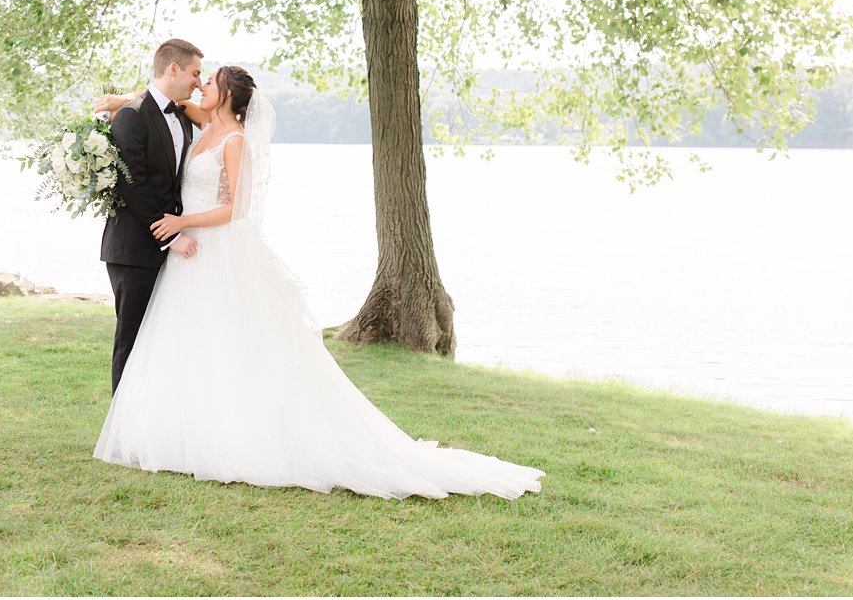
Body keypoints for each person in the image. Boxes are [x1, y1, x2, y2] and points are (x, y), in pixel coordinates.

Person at [90, 65, 546, 500]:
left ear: (227, 96)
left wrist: (181, 222)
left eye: (210, 82)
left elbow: (236, 210)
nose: (201, 85)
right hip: (188, 252)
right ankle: (182, 430)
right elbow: (161, 101)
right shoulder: (203, 117)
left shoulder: (232, 138)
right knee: (190, 341)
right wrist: (125, 98)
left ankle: (237, 435)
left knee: (227, 341)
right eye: (200, 78)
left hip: (212, 247)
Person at [99, 38, 203, 393]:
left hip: (169, 248)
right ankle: (122, 434)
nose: (198, 83)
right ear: (173, 69)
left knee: (158, 343)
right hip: (134, 249)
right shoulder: (132, 116)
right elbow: (133, 186)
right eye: (195, 73)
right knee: (131, 341)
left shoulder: (182, 117)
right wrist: (172, 236)